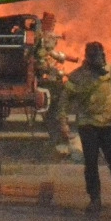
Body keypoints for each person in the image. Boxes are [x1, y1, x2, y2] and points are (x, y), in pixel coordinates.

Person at [64, 40, 111, 215]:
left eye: (102, 55)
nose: (101, 59)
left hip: (109, 124)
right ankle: (95, 199)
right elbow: (64, 101)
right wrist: (62, 121)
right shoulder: (77, 77)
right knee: (91, 163)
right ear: (89, 58)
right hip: (88, 125)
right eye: (97, 56)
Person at [34, 12, 72, 155]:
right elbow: (48, 55)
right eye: (52, 23)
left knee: (54, 114)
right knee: (54, 113)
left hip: (49, 80)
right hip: (48, 81)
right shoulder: (42, 41)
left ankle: (59, 141)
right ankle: (59, 141)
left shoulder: (41, 39)